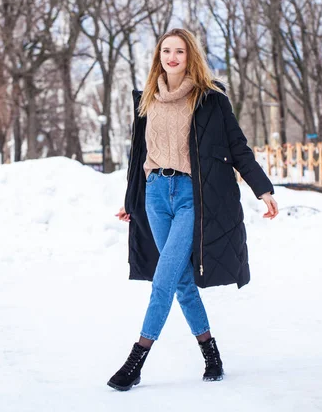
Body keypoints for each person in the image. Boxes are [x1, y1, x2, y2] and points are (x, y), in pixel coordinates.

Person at [107, 28, 279, 392]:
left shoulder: (210, 99)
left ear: (190, 57)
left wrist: (262, 189)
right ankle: (210, 352)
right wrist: (130, 199)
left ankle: (137, 358)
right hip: (155, 194)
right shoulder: (146, 99)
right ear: (159, 56)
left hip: (190, 195)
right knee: (181, 280)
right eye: (166, 51)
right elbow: (138, 156)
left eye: (179, 52)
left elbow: (238, 147)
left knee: (164, 277)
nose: (172, 57)